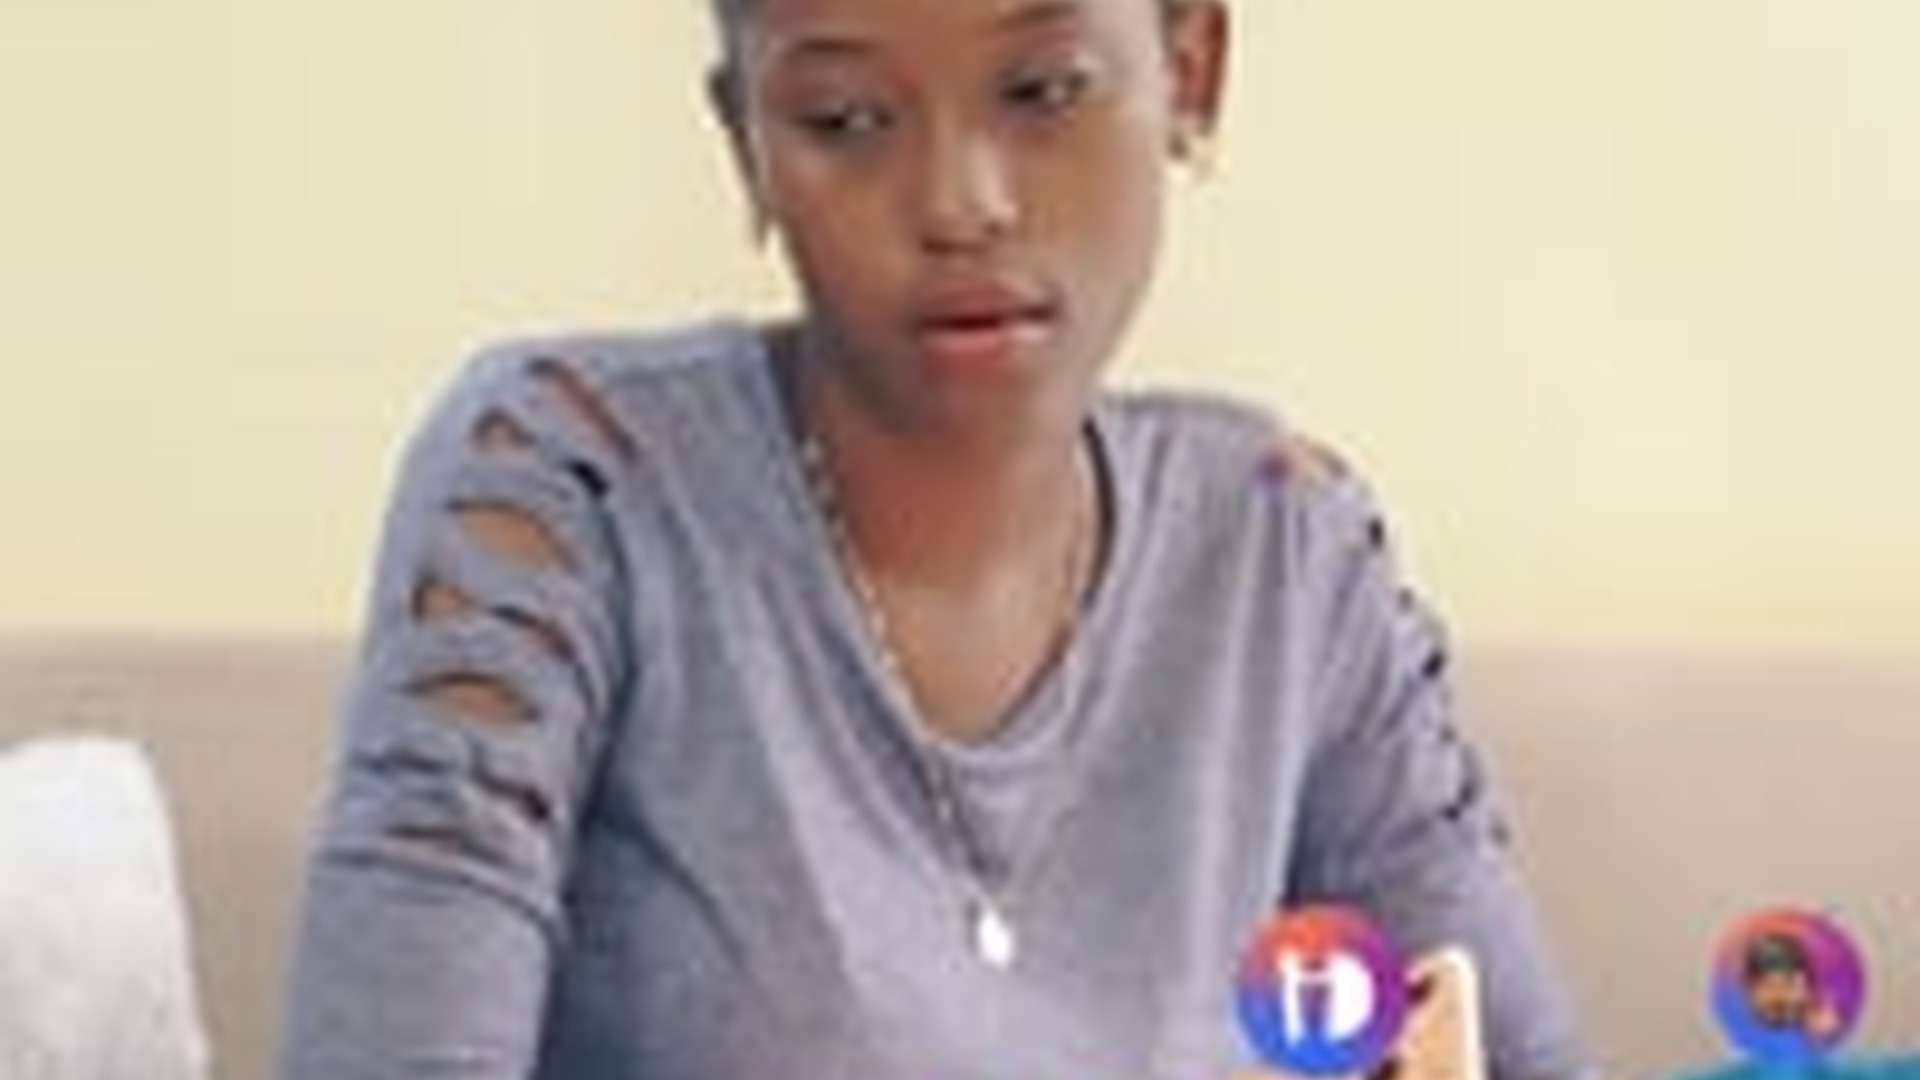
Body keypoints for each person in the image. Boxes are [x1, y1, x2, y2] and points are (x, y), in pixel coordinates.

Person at [279, 1, 1594, 1078]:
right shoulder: (562, 489)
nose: (961, 203)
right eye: (844, 120)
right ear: (748, 145)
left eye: (1044, 91)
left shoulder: (1285, 552)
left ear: (1192, 68)